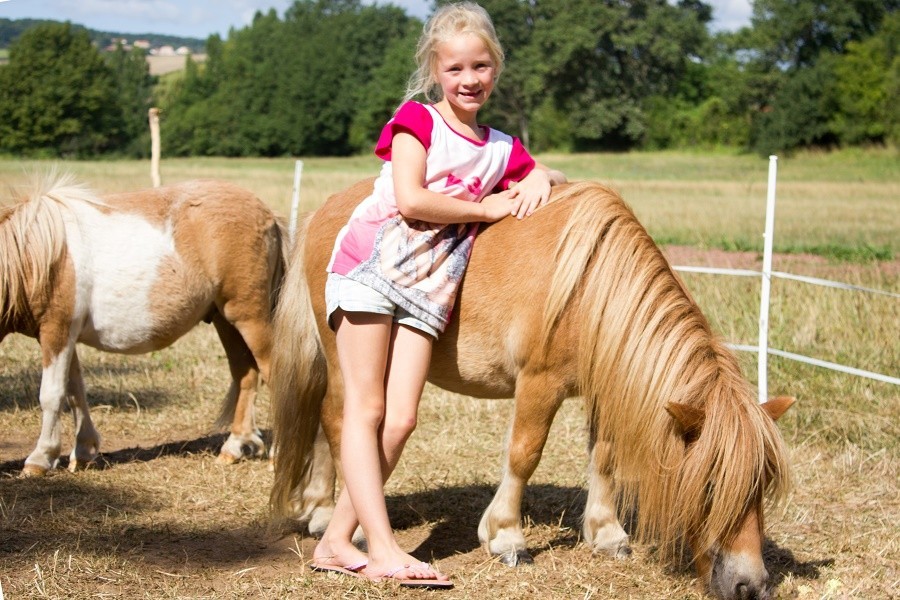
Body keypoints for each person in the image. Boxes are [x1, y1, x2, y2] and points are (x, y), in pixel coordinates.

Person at [309, 1, 566, 588]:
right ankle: (380, 548)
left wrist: (537, 177)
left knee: (401, 419)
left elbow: (545, 175)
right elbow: (411, 200)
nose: (468, 79)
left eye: (480, 67)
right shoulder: (417, 121)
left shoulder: (501, 146)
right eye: (455, 69)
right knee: (367, 408)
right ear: (435, 72)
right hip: (374, 267)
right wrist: (487, 206)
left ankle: (332, 540)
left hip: (429, 289)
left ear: (495, 69)